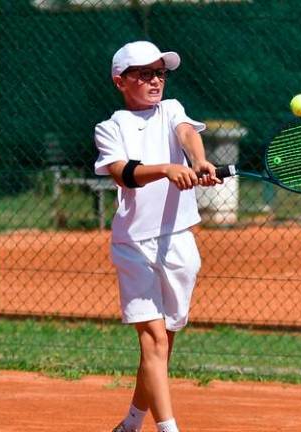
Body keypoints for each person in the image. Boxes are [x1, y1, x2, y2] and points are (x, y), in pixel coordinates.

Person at [93, 40, 221, 432]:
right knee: (153, 340)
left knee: (166, 339)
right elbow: (122, 172)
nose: (154, 80)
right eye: (144, 74)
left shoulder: (172, 110)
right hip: (134, 244)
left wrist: (198, 161)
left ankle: (131, 423)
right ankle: (168, 429)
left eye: (159, 73)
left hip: (179, 240)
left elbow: (186, 133)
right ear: (121, 81)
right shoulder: (110, 128)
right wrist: (166, 169)